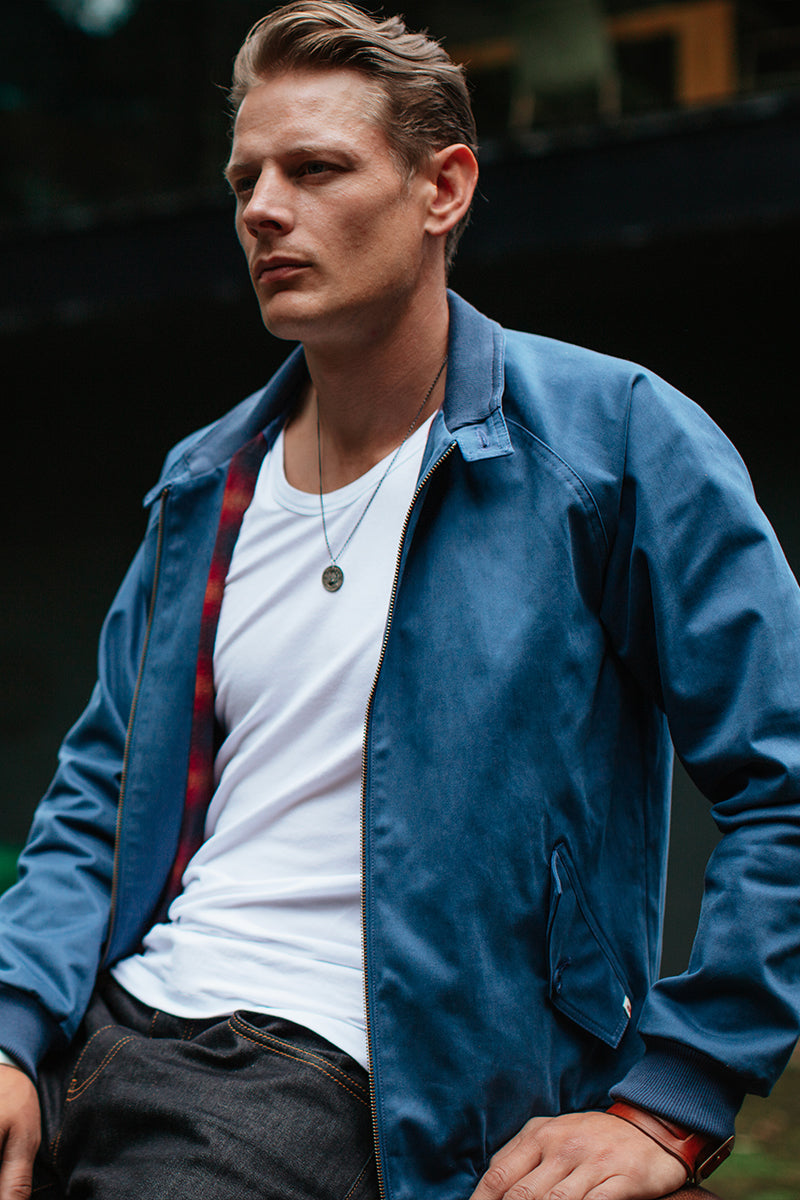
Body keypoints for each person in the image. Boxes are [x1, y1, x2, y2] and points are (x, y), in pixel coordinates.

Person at [1, 3, 799, 1198]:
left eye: (315, 169)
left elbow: (782, 778)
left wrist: (672, 1098)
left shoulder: (610, 443)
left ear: (443, 188)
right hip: (107, 1029)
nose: (262, 208)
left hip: (328, 1069)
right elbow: (96, 804)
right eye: (245, 180)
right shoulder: (205, 484)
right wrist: (11, 1026)